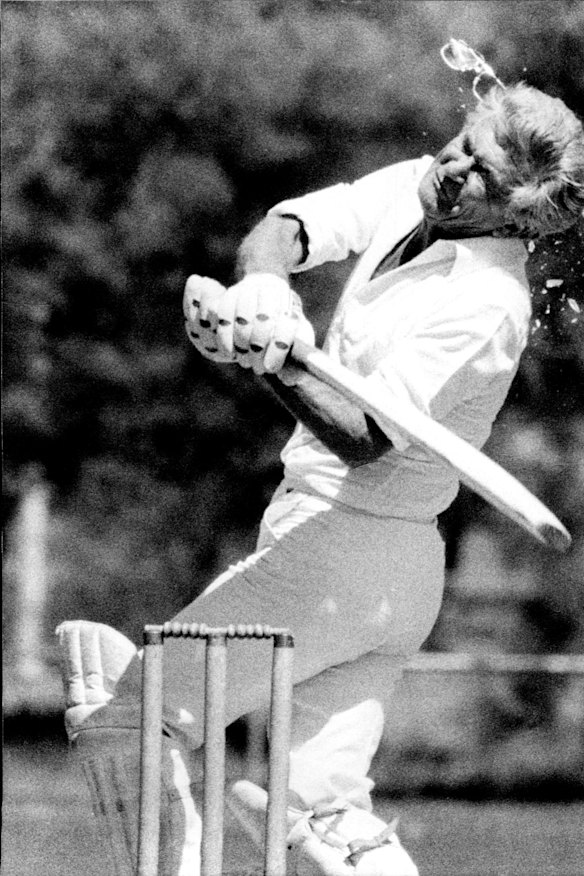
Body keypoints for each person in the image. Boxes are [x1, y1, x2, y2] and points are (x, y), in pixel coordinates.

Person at [58, 82, 584, 876]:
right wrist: (265, 293)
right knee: (325, 813)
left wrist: (264, 355)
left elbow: (363, 438)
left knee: (130, 726)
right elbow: (288, 228)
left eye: (477, 172)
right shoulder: (418, 187)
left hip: (341, 548)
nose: (450, 167)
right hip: (378, 570)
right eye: (460, 144)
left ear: (517, 212)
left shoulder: (487, 301)